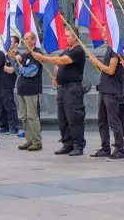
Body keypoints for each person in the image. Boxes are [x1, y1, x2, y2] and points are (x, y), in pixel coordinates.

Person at [36, 26, 88, 156]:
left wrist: (43, 57)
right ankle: (67, 143)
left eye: (68, 36)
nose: (65, 38)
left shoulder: (78, 51)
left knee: (74, 117)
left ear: (75, 37)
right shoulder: (65, 50)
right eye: (64, 35)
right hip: (62, 88)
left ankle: (78, 145)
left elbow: (61, 61)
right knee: (62, 118)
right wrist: (57, 75)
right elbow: (58, 63)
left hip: (73, 89)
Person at [88, 40, 124, 160]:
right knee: (102, 121)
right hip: (104, 89)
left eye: (104, 30)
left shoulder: (116, 49)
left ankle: (119, 149)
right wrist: (97, 63)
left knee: (113, 121)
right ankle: (105, 147)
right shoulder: (109, 48)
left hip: (111, 91)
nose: (103, 33)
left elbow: (110, 70)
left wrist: (97, 62)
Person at [15, 32, 44, 152]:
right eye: (24, 38)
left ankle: (37, 141)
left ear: (33, 41)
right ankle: (29, 140)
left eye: (27, 38)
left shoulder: (36, 54)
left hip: (31, 89)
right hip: (22, 88)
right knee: (24, 116)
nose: (24, 40)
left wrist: (21, 68)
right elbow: (18, 69)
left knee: (32, 116)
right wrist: (14, 60)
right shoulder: (25, 54)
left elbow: (30, 72)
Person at [0, 36, 21, 136]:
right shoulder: (5, 54)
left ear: (16, 44)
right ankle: (4, 126)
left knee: (9, 105)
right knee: (1, 107)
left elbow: (11, 70)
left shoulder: (17, 55)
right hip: (0, 82)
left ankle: (13, 127)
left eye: (11, 41)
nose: (8, 43)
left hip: (8, 83)